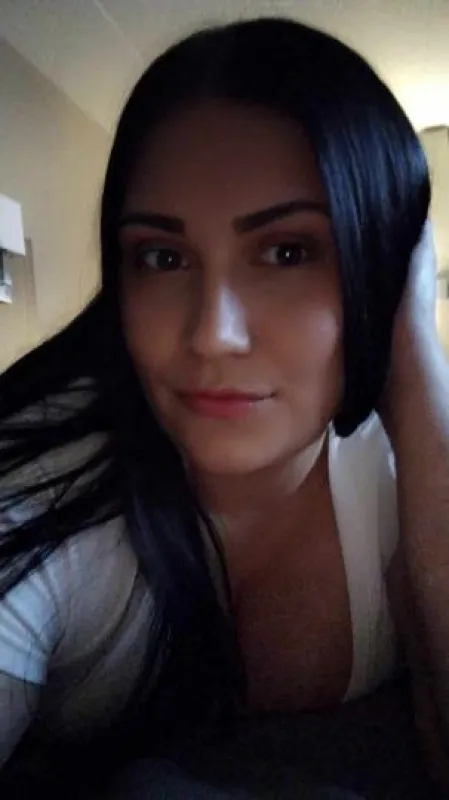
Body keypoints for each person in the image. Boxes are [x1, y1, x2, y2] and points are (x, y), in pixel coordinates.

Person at [0, 14, 448, 797]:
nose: (212, 333)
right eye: (162, 257)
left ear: (377, 268)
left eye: (286, 251)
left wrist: (415, 363)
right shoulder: (45, 488)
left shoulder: (401, 475)